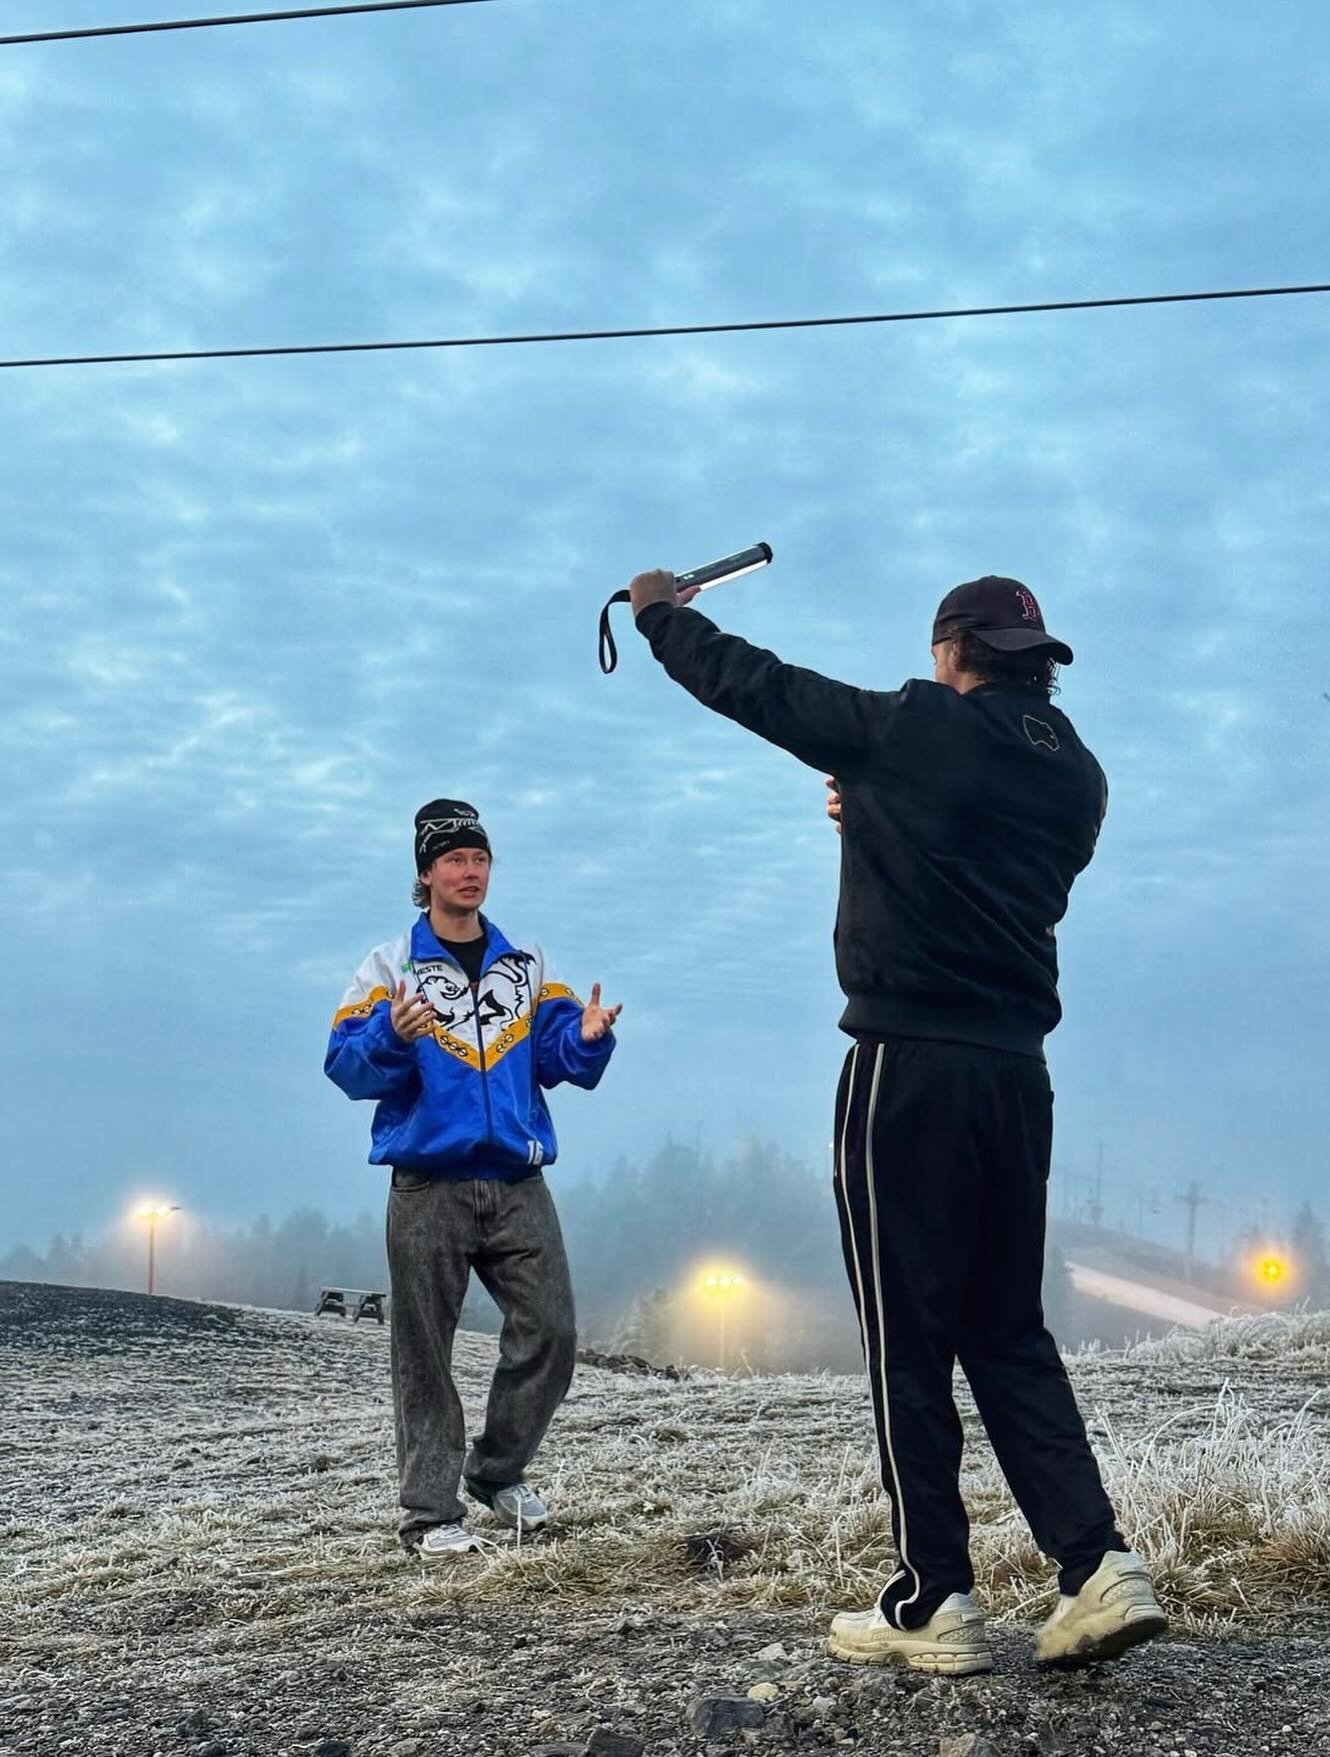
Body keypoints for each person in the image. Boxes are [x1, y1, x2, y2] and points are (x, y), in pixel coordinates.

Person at [624, 570, 1166, 1672]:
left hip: (907, 1063)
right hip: (1016, 1072)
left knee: (905, 1338)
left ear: (948, 649)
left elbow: (762, 689)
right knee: (1006, 1328)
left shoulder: (918, 726)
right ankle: (1095, 1566)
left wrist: (658, 615)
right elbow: (967, 840)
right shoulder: (1080, 781)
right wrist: (872, 799)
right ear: (1037, 658)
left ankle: (934, 1601)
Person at [324, 798, 621, 1556]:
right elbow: (345, 1066)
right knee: (424, 1350)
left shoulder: (528, 966)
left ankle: (496, 1471)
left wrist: (586, 1039)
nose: (470, 870)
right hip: (427, 1184)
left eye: (480, 857)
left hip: (519, 1182)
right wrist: (390, 1032)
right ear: (425, 874)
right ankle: (430, 1514)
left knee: (551, 1330)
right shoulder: (387, 966)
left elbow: (558, 1059)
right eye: (454, 858)